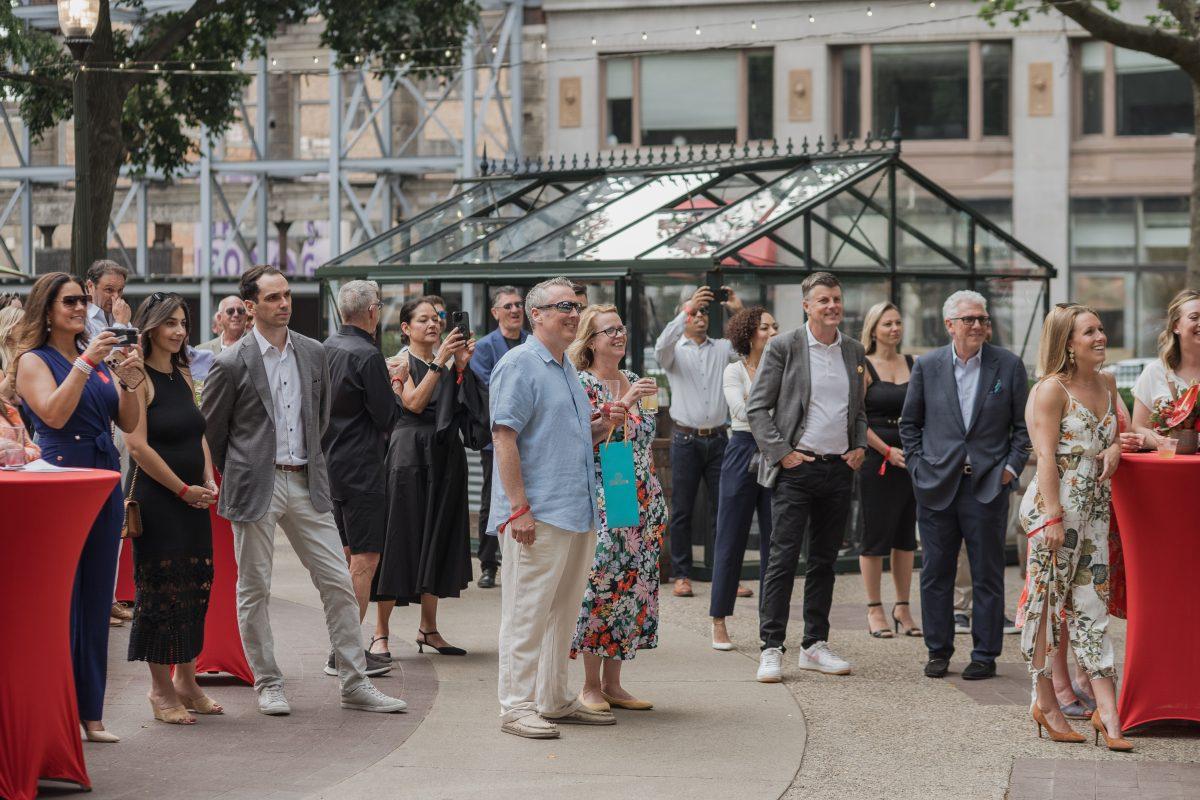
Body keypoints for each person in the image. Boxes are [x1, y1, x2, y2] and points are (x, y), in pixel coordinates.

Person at [201, 265, 405, 716]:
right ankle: (268, 683)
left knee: (338, 581)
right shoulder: (231, 361)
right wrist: (239, 469)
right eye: (273, 297)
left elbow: (321, 416)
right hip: (255, 484)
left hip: (307, 480)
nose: (284, 304)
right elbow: (213, 431)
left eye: (287, 295)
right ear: (250, 306)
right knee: (254, 588)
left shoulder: (313, 352)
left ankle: (354, 682)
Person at [488, 276, 621, 739]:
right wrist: (518, 509)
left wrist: (603, 425)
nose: (573, 313)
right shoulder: (519, 364)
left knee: (562, 614)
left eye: (577, 306)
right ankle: (516, 706)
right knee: (526, 614)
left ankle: (553, 699)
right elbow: (503, 437)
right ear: (536, 315)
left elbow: (571, 440)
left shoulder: (564, 366)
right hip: (538, 514)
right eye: (563, 306)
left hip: (574, 511)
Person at [13, 271, 143, 742]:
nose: (78, 308)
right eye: (68, 301)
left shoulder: (97, 355)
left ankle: (91, 713)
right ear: (46, 309)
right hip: (61, 478)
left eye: (80, 301)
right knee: (61, 600)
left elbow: (127, 421)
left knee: (96, 599)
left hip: (103, 477)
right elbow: (53, 414)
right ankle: (57, 710)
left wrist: (130, 379)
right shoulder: (34, 360)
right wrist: (87, 362)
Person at [1016, 303, 1132, 750]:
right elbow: (1045, 456)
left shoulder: (1107, 382)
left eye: (1101, 329)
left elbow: (1115, 434)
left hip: (1096, 513)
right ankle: (1045, 703)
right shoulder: (1051, 389)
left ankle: (1108, 714)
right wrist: (1052, 518)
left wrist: (1115, 448)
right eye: (1090, 332)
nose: (1100, 337)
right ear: (1068, 343)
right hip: (1056, 512)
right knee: (1046, 609)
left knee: (1092, 606)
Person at [900, 290, 1030, 682]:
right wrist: (918, 468)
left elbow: (1023, 429)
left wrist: (1009, 469)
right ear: (949, 325)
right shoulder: (928, 366)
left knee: (987, 573)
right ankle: (938, 651)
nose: (977, 325)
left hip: (987, 485)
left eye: (982, 319)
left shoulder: (1008, 365)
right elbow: (910, 425)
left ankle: (985, 655)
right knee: (935, 572)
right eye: (969, 319)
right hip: (937, 485)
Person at [747, 272, 867, 683]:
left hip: (838, 470)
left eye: (836, 298)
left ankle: (814, 645)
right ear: (806, 306)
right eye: (823, 300)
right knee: (782, 560)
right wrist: (783, 454)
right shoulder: (784, 346)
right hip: (797, 470)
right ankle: (771, 647)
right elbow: (757, 408)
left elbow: (858, 408)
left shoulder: (853, 349)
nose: (832, 306)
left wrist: (860, 445)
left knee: (824, 562)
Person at [123, 292, 222, 725]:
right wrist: (183, 490)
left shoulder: (182, 372)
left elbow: (197, 431)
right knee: (161, 594)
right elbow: (137, 446)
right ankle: (160, 690)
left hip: (193, 499)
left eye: (183, 323)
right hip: (160, 501)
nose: (179, 331)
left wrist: (208, 476)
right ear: (150, 328)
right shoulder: (137, 377)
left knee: (194, 588)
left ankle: (187, 680)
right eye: (170, 323)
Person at [374, 299, 486, 657]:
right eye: (423, 320)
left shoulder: (448, 362)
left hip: (445, 455)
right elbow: (413, 403)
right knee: (400, 537)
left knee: (437, 537)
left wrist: (462, 366)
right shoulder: (398, 362)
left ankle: (429, 628)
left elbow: (472, 412)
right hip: (409, 455)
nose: (433, 324)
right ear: (406, 328)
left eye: (436, 319)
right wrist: (443, 362)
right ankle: (380, 632)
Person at [567, 305, 665, 711]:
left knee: (633, 586)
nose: (619, 335)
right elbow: (583, 438)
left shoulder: (636, 378)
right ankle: (589, 684)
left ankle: (614, 683)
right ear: (590, 341)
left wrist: (656, 497)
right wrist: (625, 399)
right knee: (602, 584)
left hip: (642, 495)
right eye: (609, 330)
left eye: (621, 328)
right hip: (607, 493)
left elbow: (647, 437)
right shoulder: (582, 383)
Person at [320, 280, 401, 674]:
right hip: (363, 468)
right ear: (372, 311)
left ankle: (342, 649)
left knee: (349, 558)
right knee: (365, 561)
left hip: (331, 465)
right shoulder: (368, 355)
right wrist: (396, 382)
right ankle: (346, 653)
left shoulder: (327, 348)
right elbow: (388, 416)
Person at [654, 284, 743, 597]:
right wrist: (687, 308)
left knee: (724, 509)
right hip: (685, 440)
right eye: (695, 312)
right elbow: (660, 346)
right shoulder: (674, 352)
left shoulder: (722, 348)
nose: (700, 317)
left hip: (719, 438)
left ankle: (725, 575)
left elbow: (749, 347)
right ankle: (682, 574)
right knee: (682, 510)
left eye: (704, 312)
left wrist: (737, 311)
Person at [709, 306, 778, 650]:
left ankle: (770, 624)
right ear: (749, 334)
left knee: (774, 541)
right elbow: (738, 411)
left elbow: (788, 411)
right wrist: (768, 405)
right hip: (741, 449)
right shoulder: (734, 370)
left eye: (775, 327)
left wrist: (757, 402)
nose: (773, 333)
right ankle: (718, 619)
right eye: (766, 328)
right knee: (730, 537)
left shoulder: (781, 367)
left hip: (775, 449)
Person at [857, 302, 921, 639]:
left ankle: (903, 607)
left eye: (898, 322)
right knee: (875, 535)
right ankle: (874, 608)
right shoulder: (864, 366)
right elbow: (856, 418)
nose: (895, 329)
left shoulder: (914, 363)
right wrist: (886, 450)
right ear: (873, 329)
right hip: (877, 459)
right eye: (887, 324)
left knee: (905, 537)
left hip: (910, 459)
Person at [469, 286, 528, 589]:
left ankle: (520, 559)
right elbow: (489, 388)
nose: (515, 310)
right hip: (498, 438)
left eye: (519, 304)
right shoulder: (484, 347)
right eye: (508, 306)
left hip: (529, 438)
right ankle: (488, 564)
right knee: (492, 498)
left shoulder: (532, 342)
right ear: (495, 313)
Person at [1131, 288, 1200, 447]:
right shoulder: (1155, 372)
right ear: (1176, 326)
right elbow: (1138, 427)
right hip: (1168, 460)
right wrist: (1167, 443)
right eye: (1194, 317)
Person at [83, 260, 132, 339]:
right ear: (90, 286)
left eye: (120, 290)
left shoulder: (120, 314)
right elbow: (107, 347)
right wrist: (121, 324)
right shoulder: (82, 318)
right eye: (109, 289)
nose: (116, 296)